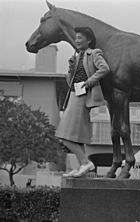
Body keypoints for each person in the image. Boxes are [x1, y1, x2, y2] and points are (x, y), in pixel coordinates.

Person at [55, 27, 110, 177]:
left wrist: (89, 82)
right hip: (74, 93)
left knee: (63, 135)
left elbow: (105, 69)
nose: (77, 41)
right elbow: (70, 82)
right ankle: (82, 167)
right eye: (76, 38)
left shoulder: (94, 53)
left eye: (80, 38)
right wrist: (71, 68)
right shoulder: (77, 56)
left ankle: (85, 162)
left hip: (82, 95)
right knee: (75, 136)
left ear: (89, 40)